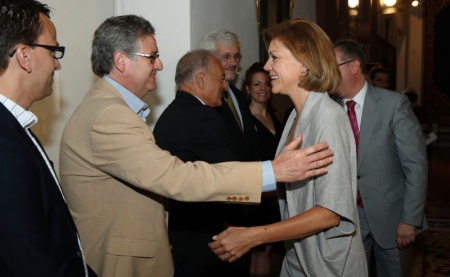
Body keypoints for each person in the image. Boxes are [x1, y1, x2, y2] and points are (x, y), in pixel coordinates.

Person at [59, 15, 334, 276]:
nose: (160, 65)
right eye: (152, 57)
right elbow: (177, 177)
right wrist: (271, 172)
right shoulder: (108, 115)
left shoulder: (112, 110)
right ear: (121, 61)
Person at [209, 18, 367, 276]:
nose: (267, 66)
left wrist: (253, 236)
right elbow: (288, 186)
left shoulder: (327, 116)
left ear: (304, 63)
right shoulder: (295, 115)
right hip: (298, 258)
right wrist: (223, 191)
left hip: (328, 266)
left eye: (274, 57)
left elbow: (330, 213)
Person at [0, 0, 95, 276]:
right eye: (53, 51)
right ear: (24, 56)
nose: (57, 65)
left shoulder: (15, 127)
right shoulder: (4, 143)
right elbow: (29, 259)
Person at [333, 39, 428, 277]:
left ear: (354, 66)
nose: (327, 73)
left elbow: (415, 166)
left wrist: (409, 219)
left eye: (332, 66)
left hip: (392, 217)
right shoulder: (329, 109)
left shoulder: (393, 104)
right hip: (347, 217)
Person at [154, 49, 251, 276]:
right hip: (202, 248)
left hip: (182, 242)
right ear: (200, 80)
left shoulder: (170, 114)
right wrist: (277, 180)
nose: (225, 87)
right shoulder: (201, 115)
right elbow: (230, 175)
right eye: (220, 80)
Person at [242, 61, 284, 276]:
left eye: (267, 84)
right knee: (257, 251)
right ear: (247, 88)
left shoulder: (275, 118)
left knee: (270, 250)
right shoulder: (245, 121)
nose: (262, 89)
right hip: (258, 195)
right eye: (256, 84)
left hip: (276, 197)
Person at [201, 30, 260, 162]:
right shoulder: (205, 98)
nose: (233, 63)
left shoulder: (239, 96)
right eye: (226, 57)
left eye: (236, 56)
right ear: (210, 59)